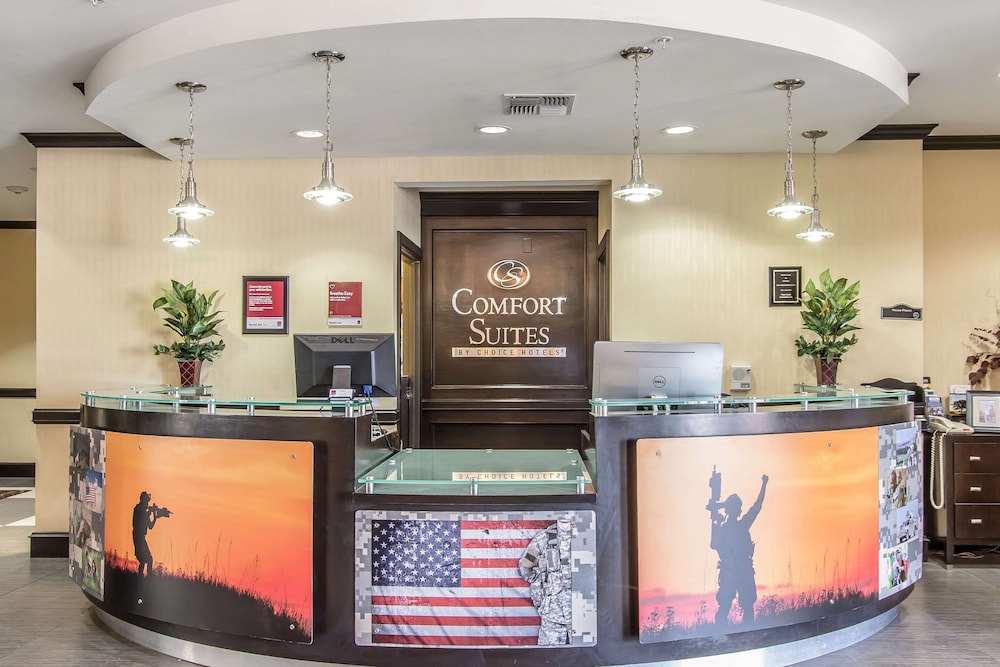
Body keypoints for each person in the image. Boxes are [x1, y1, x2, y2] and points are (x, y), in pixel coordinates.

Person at [708, 473, 768, 625]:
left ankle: (743, 632)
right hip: (733, 570)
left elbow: (757, 506)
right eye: (737, 507)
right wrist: (715, 521)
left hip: (739, 570)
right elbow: (715, 545)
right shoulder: (733, 527)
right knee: (727, 606)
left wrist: (764, 485)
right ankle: (722, 632)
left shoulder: (735, 526)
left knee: (744, 606)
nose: (739, 510)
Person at [518, 517, 573, 645]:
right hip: (553, 616)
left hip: (583, 615)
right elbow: (525, 566)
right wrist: (541, 581)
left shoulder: (588, 536)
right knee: (550, 654)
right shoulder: (544, 538)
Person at [132, 491, 159, 576]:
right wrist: (153, 515)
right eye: (147, 501)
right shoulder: (140, 510)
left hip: (138, 536)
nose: (147, 503)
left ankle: (140, 576)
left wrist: (153, 516)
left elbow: (149, 525)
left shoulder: (139, 509)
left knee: (143, 560)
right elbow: (149, 525)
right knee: (149, 559)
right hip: (139, 537)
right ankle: (149, 576)